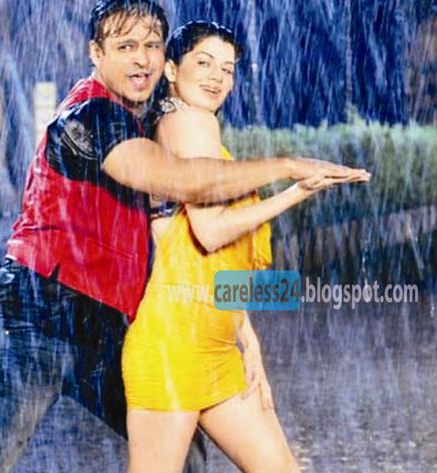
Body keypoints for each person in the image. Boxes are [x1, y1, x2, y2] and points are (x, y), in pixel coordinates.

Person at [0, 1, 369, 471]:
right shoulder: (91, 117)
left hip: (106, 325)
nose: (142, 58)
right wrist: (288, 168)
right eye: (126, 46)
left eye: (151, 45)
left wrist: (245, 334)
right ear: (96, 53)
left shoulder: (146, 121)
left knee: (183, 458)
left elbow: (188, 254)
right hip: (38, 317)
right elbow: (188, 183)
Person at [122, 21, 370, 473]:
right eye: (204, 63)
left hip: (212, 345)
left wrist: (247, 339)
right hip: (173, 347)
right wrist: (296, 191)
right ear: (172, 70)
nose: (217, 77)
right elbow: (210, 232)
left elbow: (209, 262)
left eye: (228, 69)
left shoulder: (190, 125)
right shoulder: (189, 121)